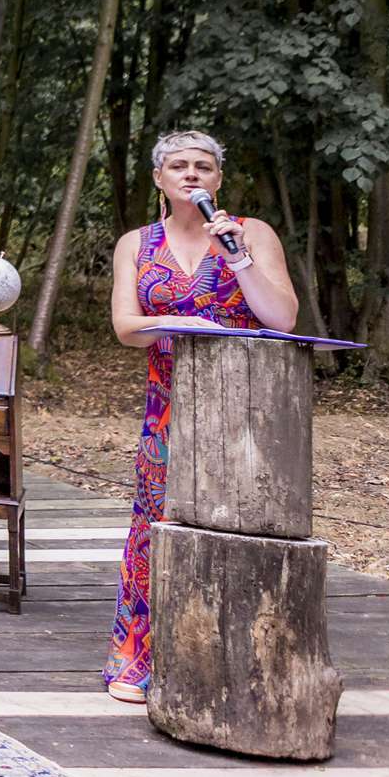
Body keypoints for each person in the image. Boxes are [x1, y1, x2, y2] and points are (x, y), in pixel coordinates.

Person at [102, 129, 301, 703]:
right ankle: (139, 656)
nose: (192, 174)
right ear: (159, 179)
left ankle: (236, 662)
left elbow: (282, 318)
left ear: (218, 180)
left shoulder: (251, 233)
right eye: (179, 165)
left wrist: (238, 258)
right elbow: (126, 327)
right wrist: (176, 324)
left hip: (243, 404)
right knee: (154, 521)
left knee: (238, 523)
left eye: (204, 166)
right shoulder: (136, 243)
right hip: (168, 404)